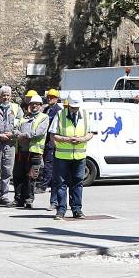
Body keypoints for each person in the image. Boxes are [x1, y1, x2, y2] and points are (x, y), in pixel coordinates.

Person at [48, 93, 96, 221]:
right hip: (62, 156)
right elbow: (52, 135)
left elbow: (91, 133)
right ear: (68, 105)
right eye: (73, 107)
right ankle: (61, 210)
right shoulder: (60, 115)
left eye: (77, 107)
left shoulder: (85, 115)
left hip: (79, 156)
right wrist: (66, 139)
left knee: (78, 183)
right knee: (61, 183)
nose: (75, 110)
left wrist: (82, 139)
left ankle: (77, 209)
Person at [15, 91, 48, 210]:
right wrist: (18, 134)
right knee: (20, 176)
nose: (34, 106)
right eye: (32, 104)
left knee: (31, 177)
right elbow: (16, 129)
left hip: (35, 152)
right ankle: (19, 200)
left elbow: (39, 133)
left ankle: (29, 200)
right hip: (22, 151)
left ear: (40, 105)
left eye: (37, 104)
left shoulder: (44, 117)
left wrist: (24, 135)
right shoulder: (24, 117)